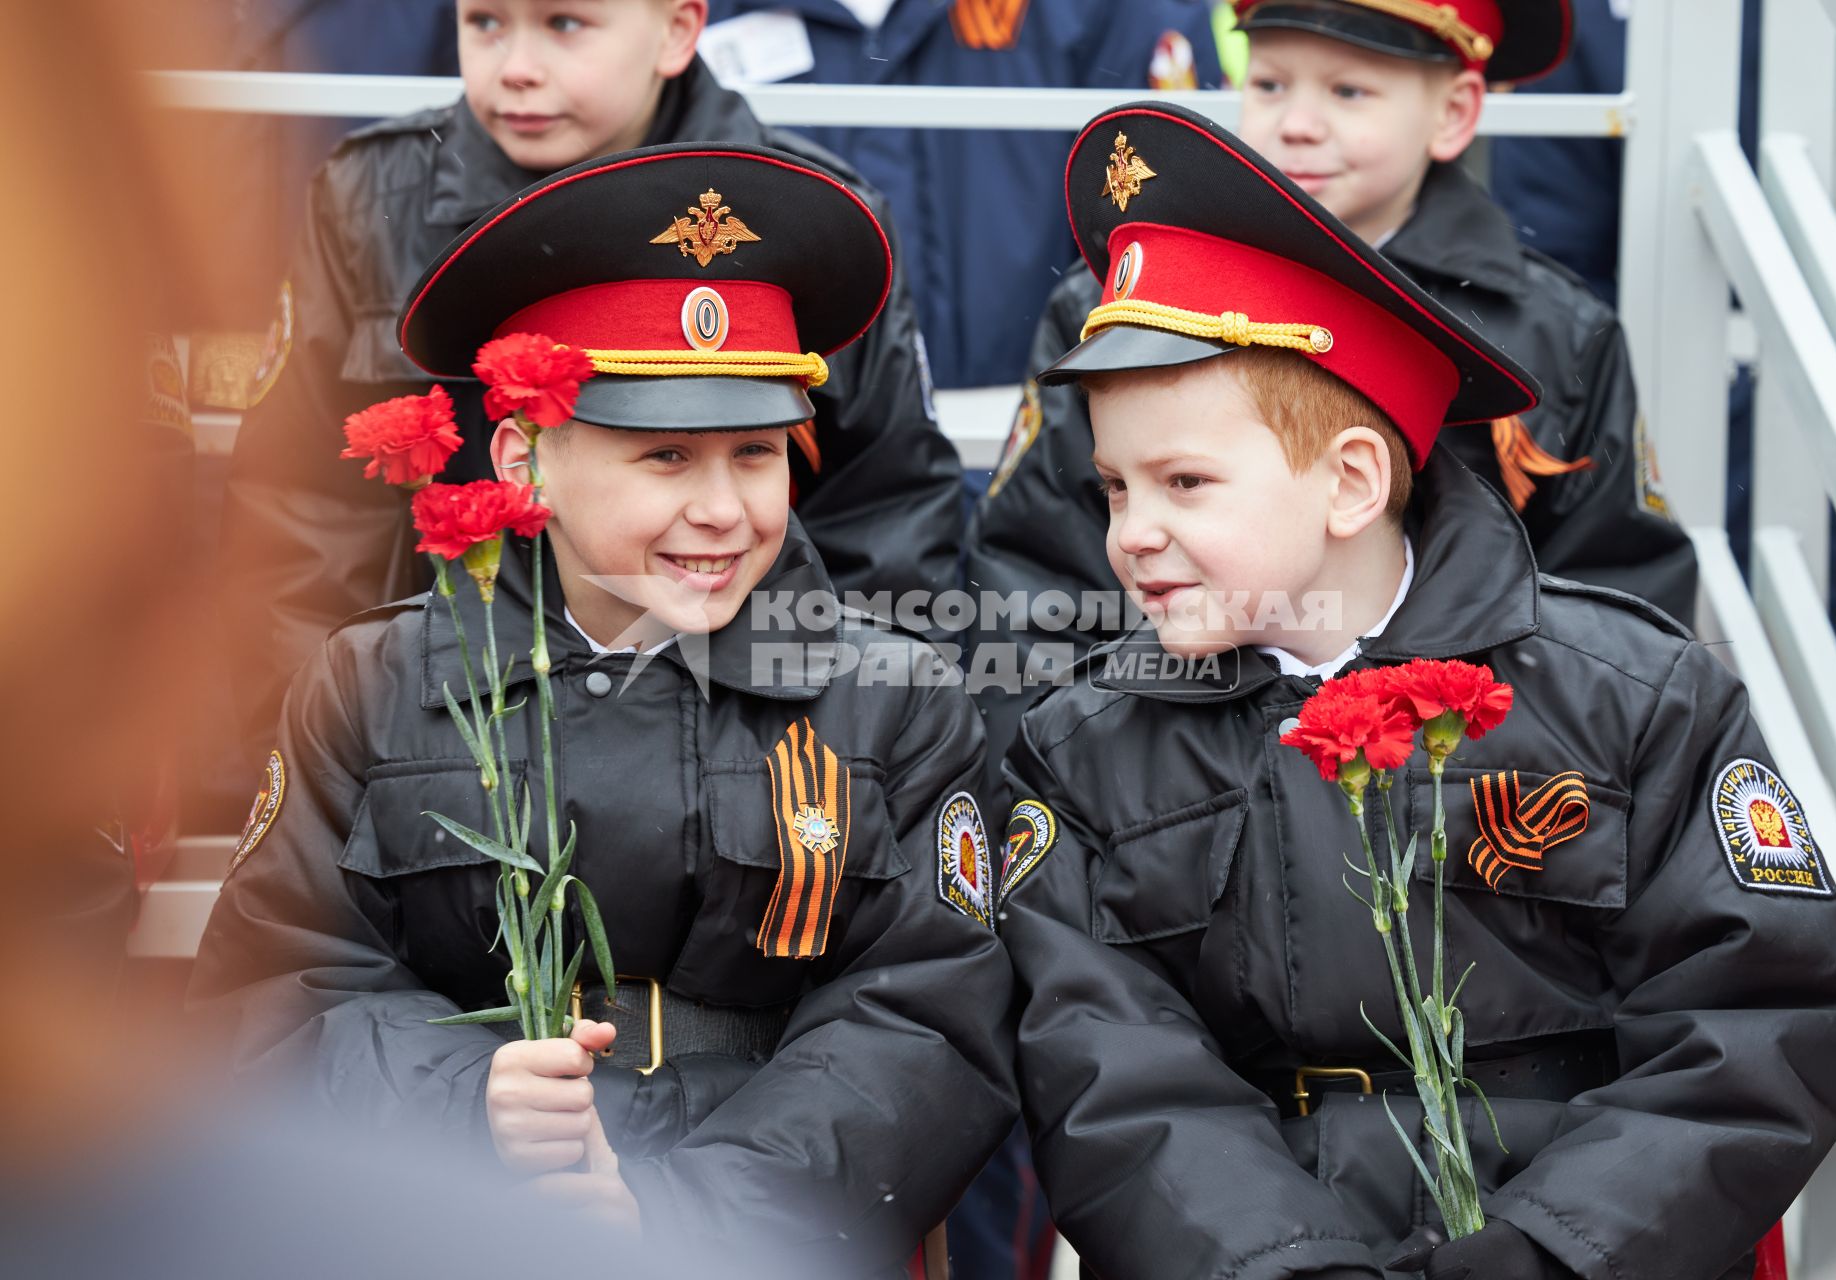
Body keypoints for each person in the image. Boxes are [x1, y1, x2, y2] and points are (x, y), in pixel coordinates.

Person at [996, 101, 1836, 1279]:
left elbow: (1760, 1016)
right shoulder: (1082, 748)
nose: (1131, 534)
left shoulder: (1637, 697)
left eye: (1184, 482)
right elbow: (1107, 1071)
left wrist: (1541, 1255)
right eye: (1112, 487)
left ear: (1353, 480)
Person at [192, 143, 1015, 1276]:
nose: (723, 507)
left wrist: (690, 1211)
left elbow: (930, 1022)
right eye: (665, 455)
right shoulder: (372, 685)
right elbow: (268, 991)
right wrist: (463, 1102)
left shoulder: (892, 704)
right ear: (526, 462)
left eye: (759, 453)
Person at [964, 0, 1697, 822]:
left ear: (1453, 112)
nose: (1298, 124)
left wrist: (1515, 766)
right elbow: (1033, 580)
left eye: (1349, 93)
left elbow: (1618, 580)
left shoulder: (1557, 332)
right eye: (1269, 82)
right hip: (1176, 773)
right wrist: (1050, 785)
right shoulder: (1113, 312)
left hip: (1474, 784)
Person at [221, 0, 966, 767]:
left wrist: (862, 753)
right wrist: (312, 757)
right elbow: (300, 513)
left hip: (743, 737)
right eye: (483, 23)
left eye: (564, 24)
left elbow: (891, 506)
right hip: (446, 734)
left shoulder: (806, 220)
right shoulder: (369, 201)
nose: (514, 65)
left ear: (677, 30)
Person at [704, 0, 1224, 388]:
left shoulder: (1109, 12)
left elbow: (1172, 240)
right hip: (784, 454)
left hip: (1052, 452)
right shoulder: (688, 18)